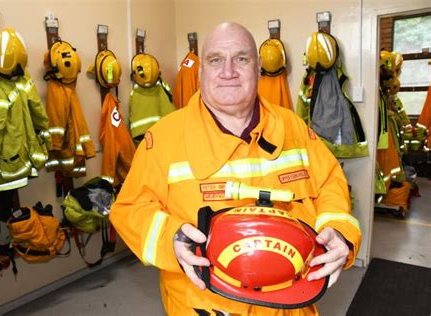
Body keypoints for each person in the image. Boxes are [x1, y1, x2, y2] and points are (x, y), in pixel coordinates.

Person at [110, 22, 361, 316]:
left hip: (292, 304)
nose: (228, 71)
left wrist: (339, 231)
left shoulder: (293, 128)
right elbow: (129, 209)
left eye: (241, 59)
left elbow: (330, 183)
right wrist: (170, 239)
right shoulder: (163, 139)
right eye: (216, 60)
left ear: (257, 69)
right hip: (202, 305)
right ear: (201, 72)